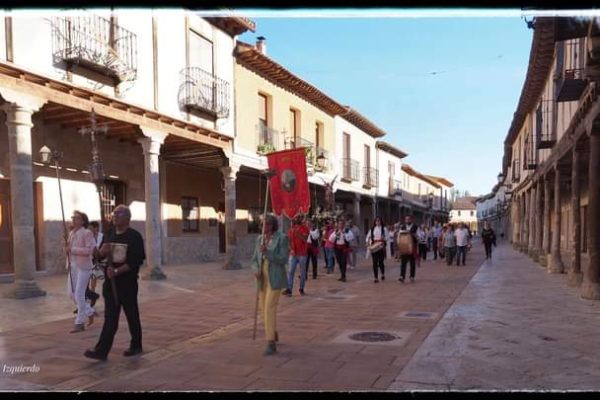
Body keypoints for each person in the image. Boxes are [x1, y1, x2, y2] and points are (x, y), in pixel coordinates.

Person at [84, 205, 146, 361]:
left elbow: (135, 261)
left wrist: (117, 271)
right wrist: (100, 252)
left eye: (118, 214)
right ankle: (101, 351)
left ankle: (136, 345)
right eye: (114, 214)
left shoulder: (134, 237)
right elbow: (98, 258)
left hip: (127, 284)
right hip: (110, 284)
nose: (114, 216)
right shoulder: (109, 235)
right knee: (111, 317)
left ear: (127, 217)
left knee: (132, 315)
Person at [250, 213, 288, 356]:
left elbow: (283, 259)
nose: (263, 226)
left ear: (272, 225)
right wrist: (255, 270)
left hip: (275, 278)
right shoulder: (259, 239)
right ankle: (273, 330)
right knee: (263, 309)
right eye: (262, 224)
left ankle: (270, 342)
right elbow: (254, 259)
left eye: (266, 224)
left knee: (269, 308)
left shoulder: (282, 238)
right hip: (262, 279)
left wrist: (268, 252)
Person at [66, 210, 97, 333]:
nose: (73, 219)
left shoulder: (87, 233)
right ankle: (89, 311)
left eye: (76, 218)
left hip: (84, 267)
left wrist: (72, 249)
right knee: (71, 293)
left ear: (82, 221)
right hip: (72, 266)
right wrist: (65, 247)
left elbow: (89, 250)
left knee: (79, 293)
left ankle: (79, 323)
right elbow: (68, 250)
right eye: (72, 217)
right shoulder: (71, 233)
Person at [284, 214, 309, 297]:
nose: (296, 219)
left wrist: (297, 232)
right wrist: (291, 249)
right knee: (290, 271)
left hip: (302, 254)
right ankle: (289, 289)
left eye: (298, 217)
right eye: (295, 217)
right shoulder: (291, 229)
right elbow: (289, 241)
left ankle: (301, 288)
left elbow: (305, 239)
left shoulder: (305, 228)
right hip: (293, 254)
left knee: (302, 272)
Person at [329, 218, 354, 282]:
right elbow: (330, 239)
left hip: (344, 248)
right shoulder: (336, 231)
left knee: (343, 261)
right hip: (337, 248)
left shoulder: (347, 230)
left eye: (342, 224)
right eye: (339, 224)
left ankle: (343, 276)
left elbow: (351, 237)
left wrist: (345, 234)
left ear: (344, 224)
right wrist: (336, 235)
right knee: (339, 261)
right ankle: (342, 274)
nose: (341, 225)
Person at [365, 216, 388, 283]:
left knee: (381, 262)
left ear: (381, 221)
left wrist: (384, 239)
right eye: (376, 221)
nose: (378, 222)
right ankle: (375, 277)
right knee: (374, 262)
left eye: (379, 220)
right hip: (374, 246)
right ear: (375, 222)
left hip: (381, 246)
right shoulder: (372, 229)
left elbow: (387, 237)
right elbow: (368, 237)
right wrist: (367, 243)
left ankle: (382, 273)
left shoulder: (384, 229)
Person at [398, 215, 418, 283]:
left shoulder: (415, 226)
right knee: (403, 262)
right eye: (406, 219)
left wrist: (413, 235)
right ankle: (402, 276)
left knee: (412, 262)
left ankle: (412, 276)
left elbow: (417, 235)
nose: (407, 221)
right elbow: (400, 234)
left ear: (411, 220)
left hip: (412, 245)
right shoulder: (403, 227)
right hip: (404, 246)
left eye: (408, 219)